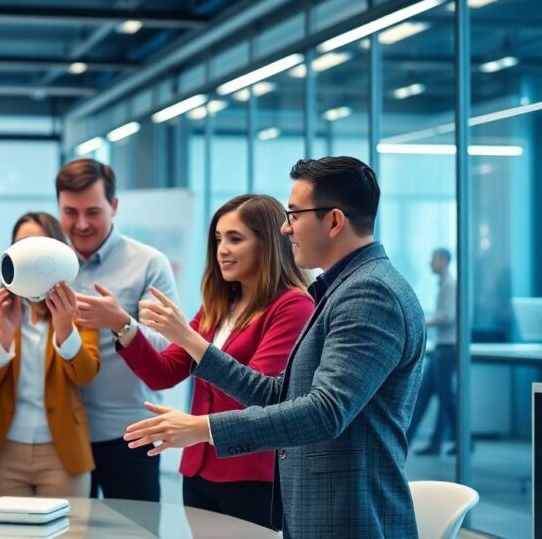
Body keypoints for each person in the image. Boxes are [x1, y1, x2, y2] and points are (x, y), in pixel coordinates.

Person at [125, 156, 426, 538]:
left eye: (295, 214)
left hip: (348, 515)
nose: (286, 228)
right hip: (323, 510)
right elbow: (280, 393)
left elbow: (325, 412)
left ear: (334, 221)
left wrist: (205, 427)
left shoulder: (369, 294)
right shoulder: (342, 290)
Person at [116, 195, 313, 528]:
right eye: (218, 239)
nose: (222, 249)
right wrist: (122, 327)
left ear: (267, 244)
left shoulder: (293, 306)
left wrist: (187, 337)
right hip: (198, 467)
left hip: (250, 471)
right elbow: (161, 374)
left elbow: (259, 393)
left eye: (235, 238)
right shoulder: (217, 306)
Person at [55, 157, 179, 501]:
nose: (80, 224)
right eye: (70, 212)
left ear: (114, 206)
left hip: (131, 433)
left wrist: (121, 322)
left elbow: (170, 347)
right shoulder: (48, 264)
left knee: (134, 531)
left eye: (93, 212)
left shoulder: (149, 263)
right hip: (62, 434)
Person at [0, 212, 100, 497]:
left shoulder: (77, 306)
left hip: (62, 450)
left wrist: (65, 327)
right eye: (21, 245)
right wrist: (6, 333)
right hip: (2, 449)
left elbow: (85, 374)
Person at [408, 247, 457, 455]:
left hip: (448, 348)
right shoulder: (444, 284)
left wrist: (420, 322)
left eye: (434, 259)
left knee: (445, 397)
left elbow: (447, 317)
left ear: (444, 261)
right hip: (442, 348)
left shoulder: (450, 285)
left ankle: (462, 440)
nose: (430, 263)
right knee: (427, 393)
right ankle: (430, 442)